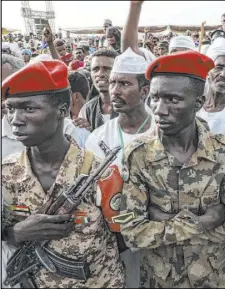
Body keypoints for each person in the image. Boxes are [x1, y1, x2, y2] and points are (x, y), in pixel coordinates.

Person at [119, 50, 225, 288]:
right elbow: (132, 232)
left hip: (214, 279)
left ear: (198, 103)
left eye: (173, 100)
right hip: (160, 281)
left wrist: (162, 220)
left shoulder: (222, 152)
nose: (159, 109)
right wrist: (204, 221)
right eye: (155, 98)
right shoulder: (138, 154)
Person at [1, 59, 125, 288]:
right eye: (11, 108)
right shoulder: (6, 174)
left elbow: (124, 237)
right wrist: (14, 233)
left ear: (62, 110)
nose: (15, 120)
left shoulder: (101, 173)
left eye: (29, 108)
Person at [85, 48, 156, 288]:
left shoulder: (161, 130)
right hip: (115, 241)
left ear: (144, 91)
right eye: (113, 83)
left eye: (124, 83)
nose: (114, 90)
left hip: (158, 237)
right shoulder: (98, 137)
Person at [76, 49, 118, 131]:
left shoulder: (131, 107)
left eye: (107, 69)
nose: (100, 74)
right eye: (95, 69)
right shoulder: (88, 109)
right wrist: (87, 134)